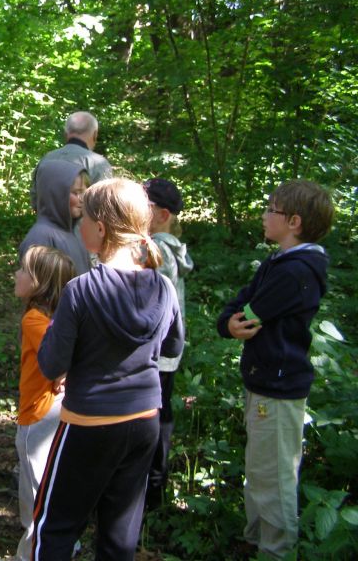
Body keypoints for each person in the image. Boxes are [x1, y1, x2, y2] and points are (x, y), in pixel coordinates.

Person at [32, 178, 184, 561]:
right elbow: (172, 347)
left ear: (100, 229)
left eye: (83, 218)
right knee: (119, 536)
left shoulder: (80, 290)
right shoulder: (163, 288)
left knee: (55, 527)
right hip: (144, 421)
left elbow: (51, 363)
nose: (79, 225)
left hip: (89, 422)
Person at [216, 180, 334, 559]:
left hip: (278, 389)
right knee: (258, 468)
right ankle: (255, 541)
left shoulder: (297, 271)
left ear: (294, 222)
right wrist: (228, 321)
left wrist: (233, 320)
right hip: (263, 380)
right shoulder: (277, 262)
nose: (265, 215)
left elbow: (250, 313)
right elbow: (241, 304)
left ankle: (276, 551)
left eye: (271, 210)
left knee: (275, 476)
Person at [12, 246, 76, 561]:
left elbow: (61, 354)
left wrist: (65, 372)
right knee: (47, 490)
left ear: (39, 283)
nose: (16, 274)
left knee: (36, 500)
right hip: (50, 412)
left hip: (38, 417)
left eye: (23, 270)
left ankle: (36, 553)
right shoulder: (54, 319)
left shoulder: (34, 320)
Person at [143, 177, 194, 508]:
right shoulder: (166, 246)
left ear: (162, 215)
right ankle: (153, 487)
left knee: (154, 417)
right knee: (160, 412)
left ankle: (152, 489)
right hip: (164, 353)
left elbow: (151, 308)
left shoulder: (159, 251)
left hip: (157, 354)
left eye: (143, 206)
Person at [20, 159, 91, 274]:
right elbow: (35, 284)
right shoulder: (40, 239)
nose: (82, 199)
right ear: (56, 195)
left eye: (84, 192)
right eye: (76, 193)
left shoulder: (75, 233)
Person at [29, 111, 112, 210]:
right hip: (84, 220)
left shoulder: (46, 159)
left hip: (45, 219)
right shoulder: (99, 163)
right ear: (95, 135)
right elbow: (103, 206)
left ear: (66, 134)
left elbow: (35, 200)